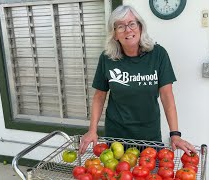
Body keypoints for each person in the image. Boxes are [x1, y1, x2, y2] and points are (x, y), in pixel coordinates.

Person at [78, 5, 196, 156]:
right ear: (114, 34)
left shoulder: (158, 54)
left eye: (132, 23)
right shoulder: (107, 58)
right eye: (120, 26)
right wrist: (92, 130)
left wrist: (175, 134)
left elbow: (167, 96)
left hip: (149, 136)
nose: (128, 30)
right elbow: (99, 96)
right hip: (116, 137)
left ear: (140, 27)